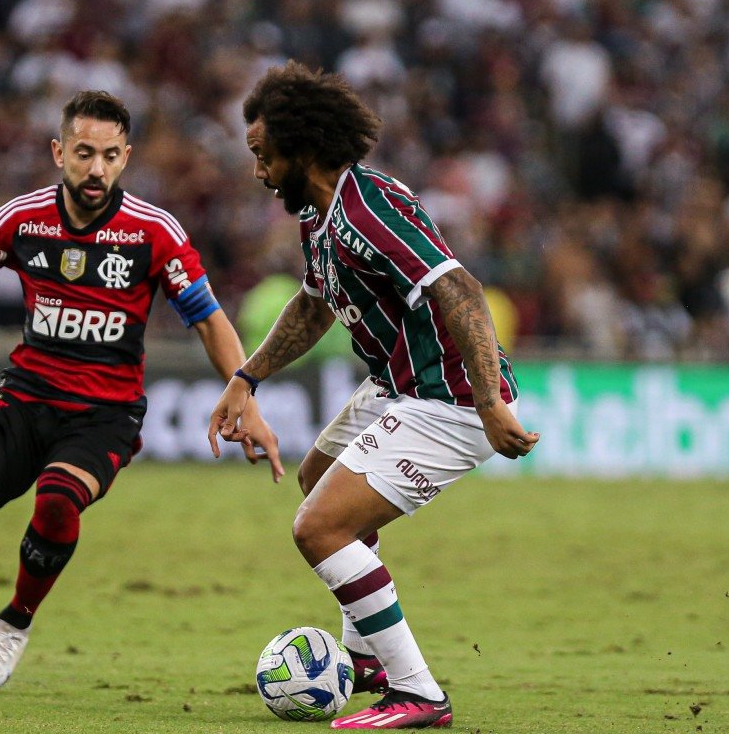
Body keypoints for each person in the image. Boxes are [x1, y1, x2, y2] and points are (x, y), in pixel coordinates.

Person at [0, 90, 281, 694]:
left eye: (109, 156)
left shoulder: (153, 233)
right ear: (58, 153)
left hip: (104, 415)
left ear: (126, 157)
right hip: (24, 398)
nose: (96, 169)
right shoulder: (21, 219)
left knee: (56, 500)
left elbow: (208, 317)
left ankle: (12, 626)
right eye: (83, 153)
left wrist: (245, 397)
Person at [208, 62, 539, 730]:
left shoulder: (370, 208)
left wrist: (486, 401)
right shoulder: (318, 216)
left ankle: (419, 693)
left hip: (446, 398)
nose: (258, 170)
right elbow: (312, 307)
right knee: (318, 479)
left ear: (302, 150)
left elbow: (461, 289)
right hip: (397, 385)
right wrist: (246, 378)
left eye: (263, 155)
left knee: (319, 527)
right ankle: (366, 658)